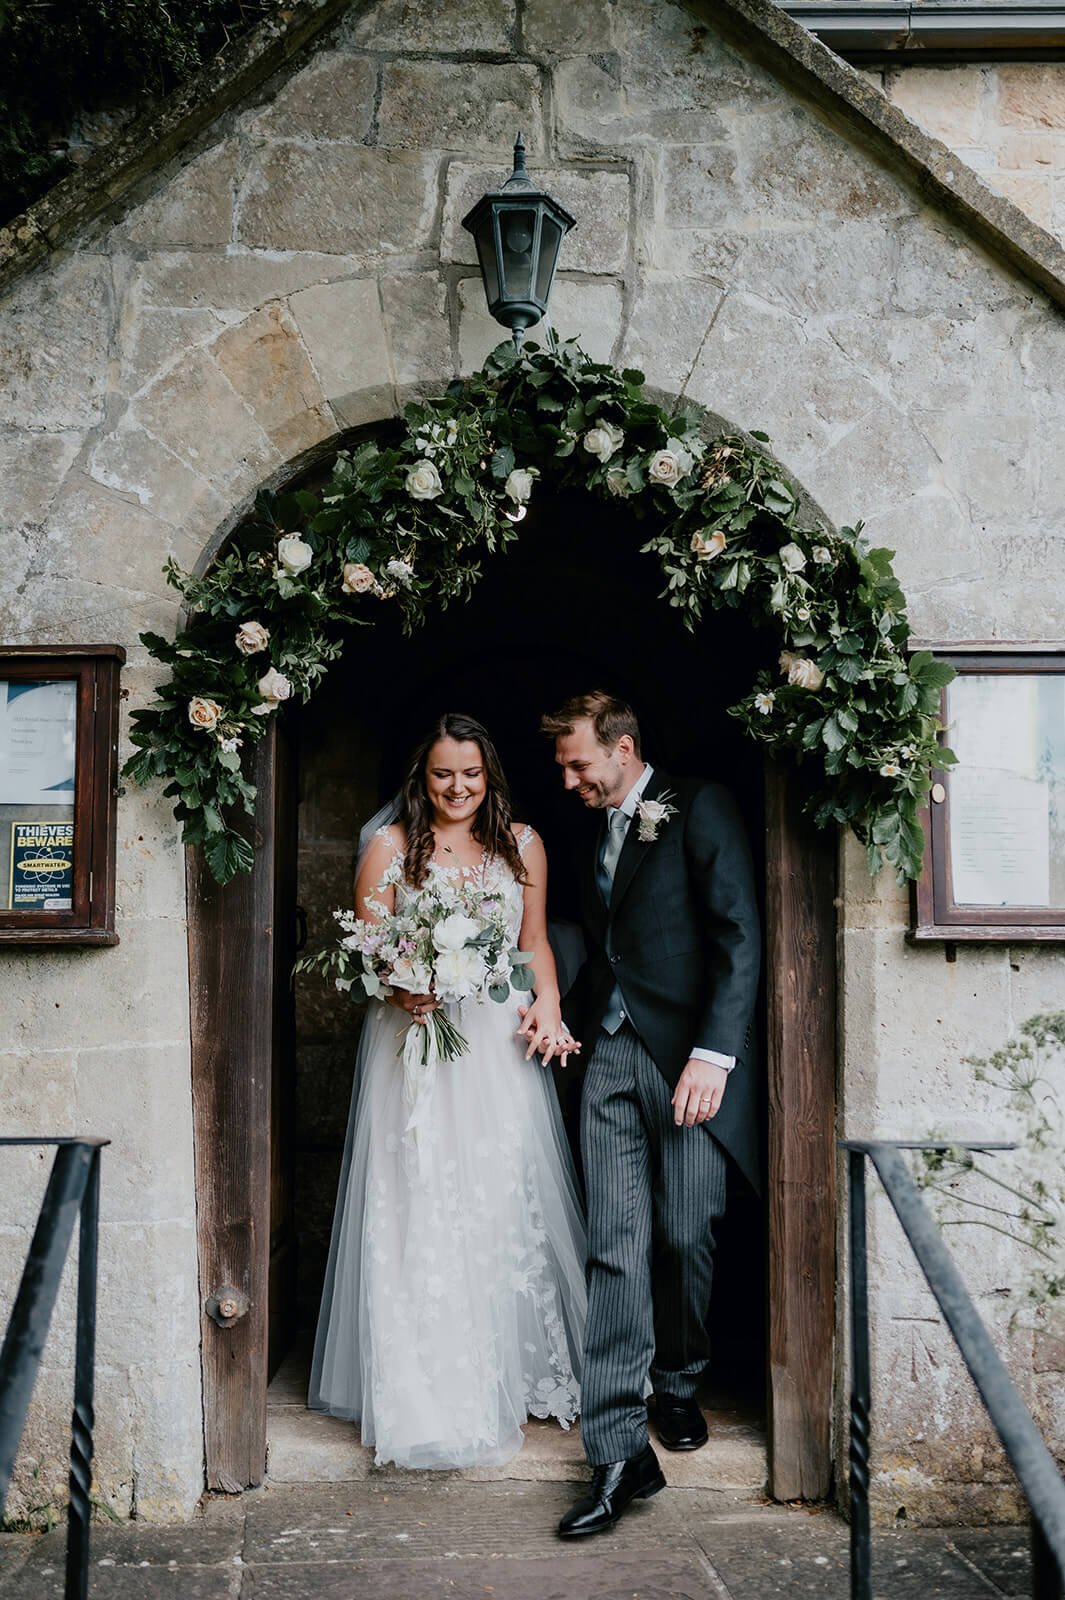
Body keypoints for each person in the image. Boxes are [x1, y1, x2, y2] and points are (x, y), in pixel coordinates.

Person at [309, 713, 587, 1470]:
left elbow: (532, 945)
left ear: (488, 775)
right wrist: (404, 989)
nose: (457, 787)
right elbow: (369, 953)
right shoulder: (390, 847)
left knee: (498, 1197)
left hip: (495, 1043)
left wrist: (550, 1005)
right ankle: (427, 1385)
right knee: (423, 1196)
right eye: (442, 774)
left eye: (470, 773)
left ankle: (511, 1368)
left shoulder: (521, 844)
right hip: (419, 1050)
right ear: (421, 778)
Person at [537, 692, 761, 1537]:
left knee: (684, 1229)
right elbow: (579, 935)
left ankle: (678, 1381)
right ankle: (617, 1450)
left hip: (686, 1059)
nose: (568, 781)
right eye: (563, 766)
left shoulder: (698, 806)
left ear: (623, 749)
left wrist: (713, 1054)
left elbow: (738, 933)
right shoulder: (586, 823)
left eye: (578, 764)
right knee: (613, 1247)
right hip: (607, 1053)